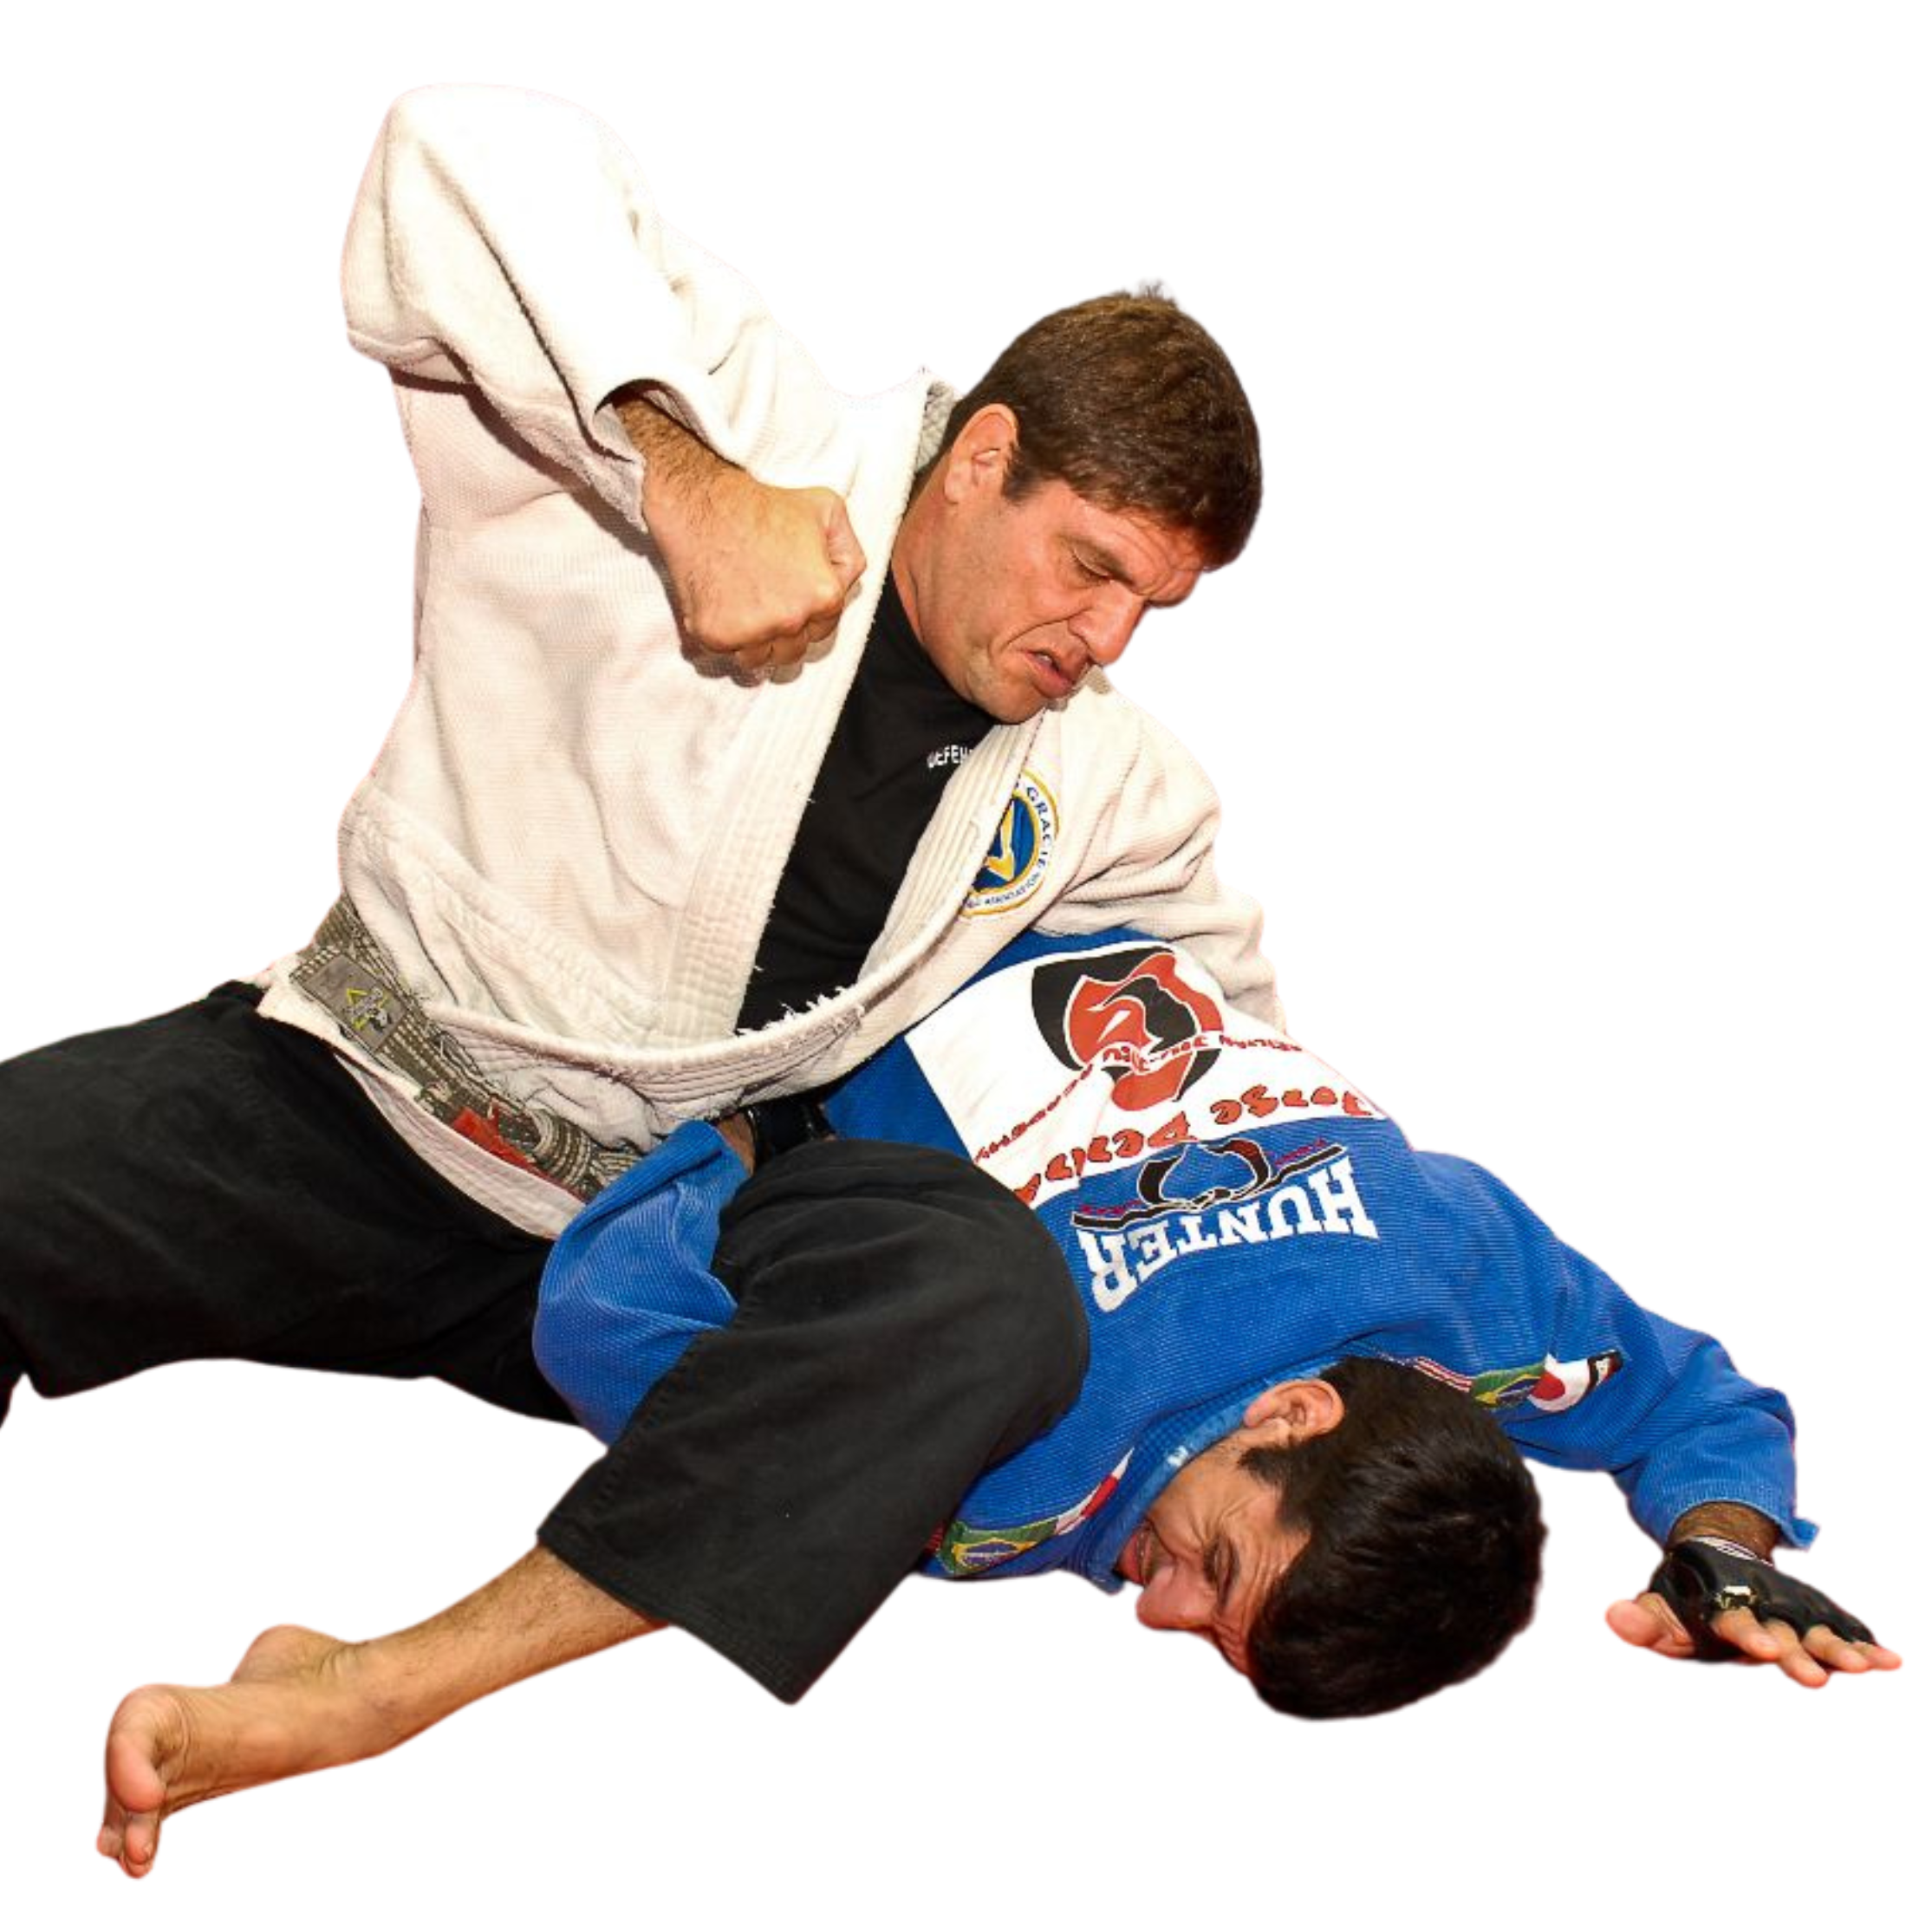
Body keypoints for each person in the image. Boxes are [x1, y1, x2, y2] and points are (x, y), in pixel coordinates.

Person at [2, 76, 1270, 1742]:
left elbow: (1236, 1074)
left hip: (660, 1233)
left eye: (1151, 606)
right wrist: (675, 473)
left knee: (996, 1303)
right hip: (355, 1097)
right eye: (1090, 566)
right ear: (979, 460)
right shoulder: (746, 428)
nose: (1107, 638)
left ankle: (373, 1692)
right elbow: (455, 146)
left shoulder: (1107, 787)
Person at [96, 928, 1897, 1877]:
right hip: (845, 947)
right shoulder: (1022, 1475)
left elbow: (1695, 1397)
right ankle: (360, 1686)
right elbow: (608, 1325)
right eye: (1212, 1572)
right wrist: (717, 1150)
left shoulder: (1466, 1270)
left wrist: (1719, 1540)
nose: (1154, 1606)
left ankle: (358, 1672)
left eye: (1206, 1634)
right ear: (1282, 1417)